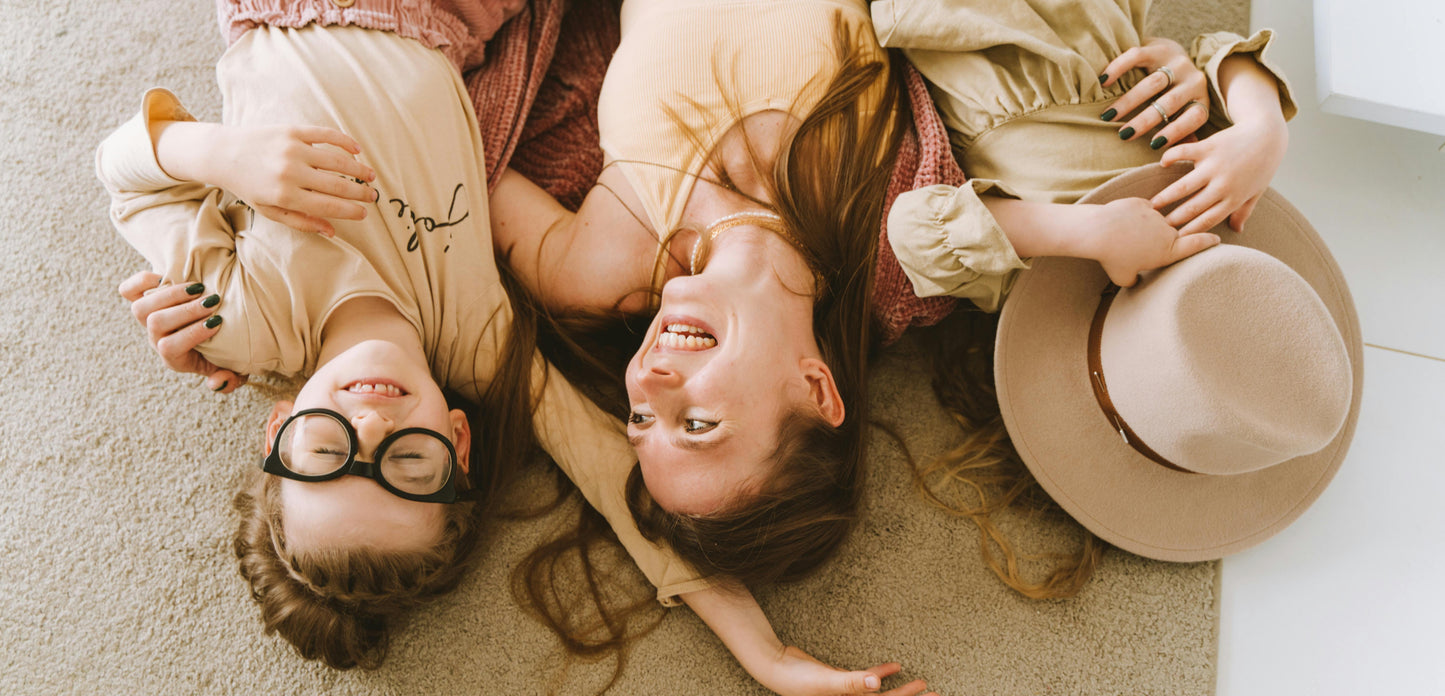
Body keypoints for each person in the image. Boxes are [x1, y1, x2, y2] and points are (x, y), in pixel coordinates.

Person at [104, 2, 933, 694]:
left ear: (280, 427)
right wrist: (761, 650)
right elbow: (618, 477)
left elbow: (124, 172)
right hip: (448, 20)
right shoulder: (475, 333)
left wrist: (222, 154)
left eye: (325, 450)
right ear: (458, 442)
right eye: (408, 465)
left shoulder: (244, 324)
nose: (369, 426)